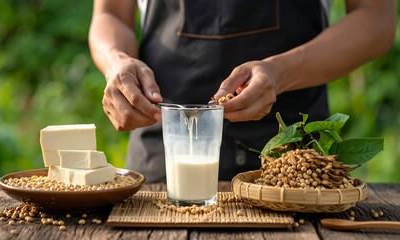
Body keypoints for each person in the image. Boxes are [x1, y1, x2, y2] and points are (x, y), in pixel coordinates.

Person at [88, 0, 396, 183]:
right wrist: (117, 60)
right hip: (163, 162)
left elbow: (377, 20)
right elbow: (111, 14)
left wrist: (280, 73)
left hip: (295, 169)